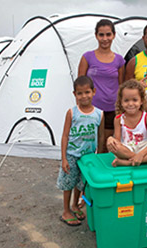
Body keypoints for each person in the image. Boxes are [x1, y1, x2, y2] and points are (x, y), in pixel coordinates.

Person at [57, 76, 105, 226]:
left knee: (80, 184)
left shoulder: (99, 113)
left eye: (87, 92)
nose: (84, 96)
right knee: (68, 183)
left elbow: (101, 136)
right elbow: (65, 135)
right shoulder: (72, 113)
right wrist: (64, 158)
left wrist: (99, 157)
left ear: (94, 92)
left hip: (88, 157)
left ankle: (75, 206)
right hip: (72, 155)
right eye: (80, 93)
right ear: (74, 94)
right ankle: (66, 211)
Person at [78, 19, 125, 152]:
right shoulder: (87, 57)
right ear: (96, 35)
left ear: (114, 35)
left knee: (107, 146)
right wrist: (80, 109)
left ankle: (103, 173)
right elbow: (80, 86)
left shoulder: (119, 60)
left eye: (108, 34)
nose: (105, 39)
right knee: (88, 144)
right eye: (101, 35)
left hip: (112, 109)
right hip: (92, 109)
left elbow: (122, 86)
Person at [106, 79, 147, 167]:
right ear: (121, 102)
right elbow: (118, 142)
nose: (131, 104)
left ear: (141, 101)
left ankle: (128, 162)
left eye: (135, 100)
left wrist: (141, 154)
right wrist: (110, 139)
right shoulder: (118, 119)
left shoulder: (146, 117)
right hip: (127, 149)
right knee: (114, 147)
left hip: (144, 148)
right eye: (126, 100)